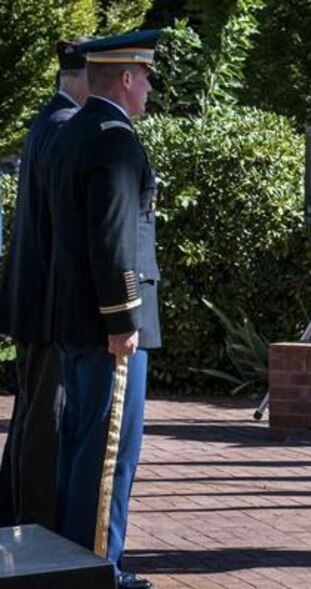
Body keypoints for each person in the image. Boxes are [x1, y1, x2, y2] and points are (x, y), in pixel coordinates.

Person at [43, 29, 162, 589]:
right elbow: (113, 240)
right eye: (147, 77)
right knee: (108, 457)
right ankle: (98, 569)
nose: (149, 89)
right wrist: (123, 320)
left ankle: (69, 562)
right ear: (127, 77)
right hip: (105, 324)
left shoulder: (72, 133)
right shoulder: (115, 139)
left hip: (70, 316)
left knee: (79, 445)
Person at [0, 38, 90, 529]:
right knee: (44, 419)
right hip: (47, 299)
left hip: (32, 294)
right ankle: (35, 524)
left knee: (33, 409)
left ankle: (14, 511)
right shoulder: (63, 126)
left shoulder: (48, 120)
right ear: (78, 77)